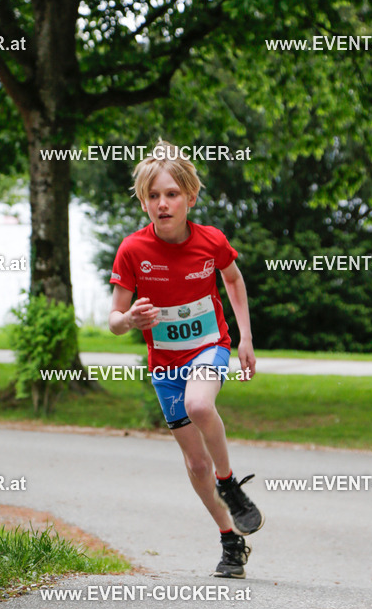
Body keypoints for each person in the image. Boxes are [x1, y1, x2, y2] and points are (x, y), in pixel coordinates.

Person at [108, 141, 264, 578]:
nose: (163, 203)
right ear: (143, 202)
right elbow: (113, 319)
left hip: (209, 346)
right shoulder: (132, 251)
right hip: (164, 365)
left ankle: (229, 480)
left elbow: (233, 280)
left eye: (172, 194)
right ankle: (230, 541)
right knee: (195, 464)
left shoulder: (210, 241)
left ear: (190, 197)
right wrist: (130, 319)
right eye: (153, 196)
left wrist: (245, 337)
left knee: (200, 405)